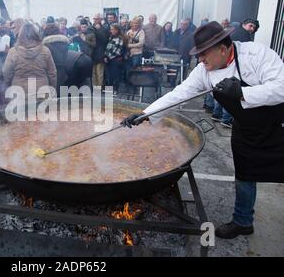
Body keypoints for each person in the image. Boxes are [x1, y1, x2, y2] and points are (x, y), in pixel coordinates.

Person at [122, 21, 284, 239]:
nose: (200, 60)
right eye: (198, 55)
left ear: (223, 49)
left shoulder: (257, 54)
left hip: (277, 124)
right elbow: (179, 94)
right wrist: (146, 114)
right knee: (246, 174)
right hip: (246, 127)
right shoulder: (204, 70)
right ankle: (243, 221)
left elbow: (282, 87)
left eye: (204, 54)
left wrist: (244, 93)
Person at [3, 23, 57, 98]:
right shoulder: (45, 50)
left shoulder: (13, 52)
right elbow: (52, 73)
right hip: (41, 91)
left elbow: (6, 73)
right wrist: (52, 89)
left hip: (19, 92)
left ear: (20, 35)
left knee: (21, 110)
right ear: (36, 35)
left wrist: (8, 87)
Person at [104, 24, 125, 95]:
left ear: (116, 30)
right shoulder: (111, 37)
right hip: (108, 59)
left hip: (115, 60)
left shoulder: (120, 39)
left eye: (112, 29)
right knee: (109, 76)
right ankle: (109, 90)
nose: (111, 31)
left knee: (115, 76)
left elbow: (117, 51)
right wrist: (105, 56)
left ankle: (115, 90)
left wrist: (108, 58)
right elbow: (108, 48)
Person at [92, 13, 110, 87]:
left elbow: (105, 40)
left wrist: (98, 30)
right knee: (93, 72)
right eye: (94, 19)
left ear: (100, 19)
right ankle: (94, 86)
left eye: (96, 19)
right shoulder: (91, 28)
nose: (95, 20)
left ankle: (99, 88)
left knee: (99, 72)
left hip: (100, 53)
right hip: (92, 53)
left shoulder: (104, 29)